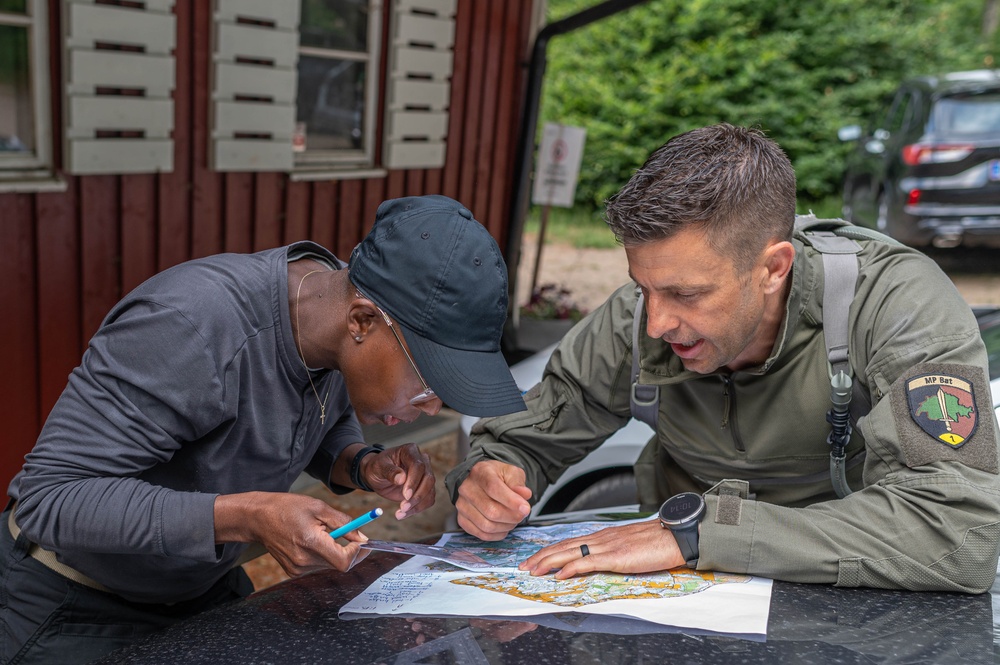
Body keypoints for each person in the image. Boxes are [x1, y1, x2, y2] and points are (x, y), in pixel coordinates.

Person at [446, 124, 1000, 593]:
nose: (657, 323)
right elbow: (520, 438)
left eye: (686, 294)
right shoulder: (634, 318)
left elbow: (958, 529)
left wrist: (699, 534)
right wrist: (490, 478)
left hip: (847, 605)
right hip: (675, 606)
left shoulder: (892, 303)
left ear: (773, 267)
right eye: (644, 288)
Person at [2, 194, 525, 663]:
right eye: (428, 381)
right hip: (73, 604)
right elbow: (52, 499)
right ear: (362, 322)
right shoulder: (190, 325)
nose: (432, 406)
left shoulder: (333, 313)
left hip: (202, 595)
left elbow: (315, 414)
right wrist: (250, 515)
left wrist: (360, 464)